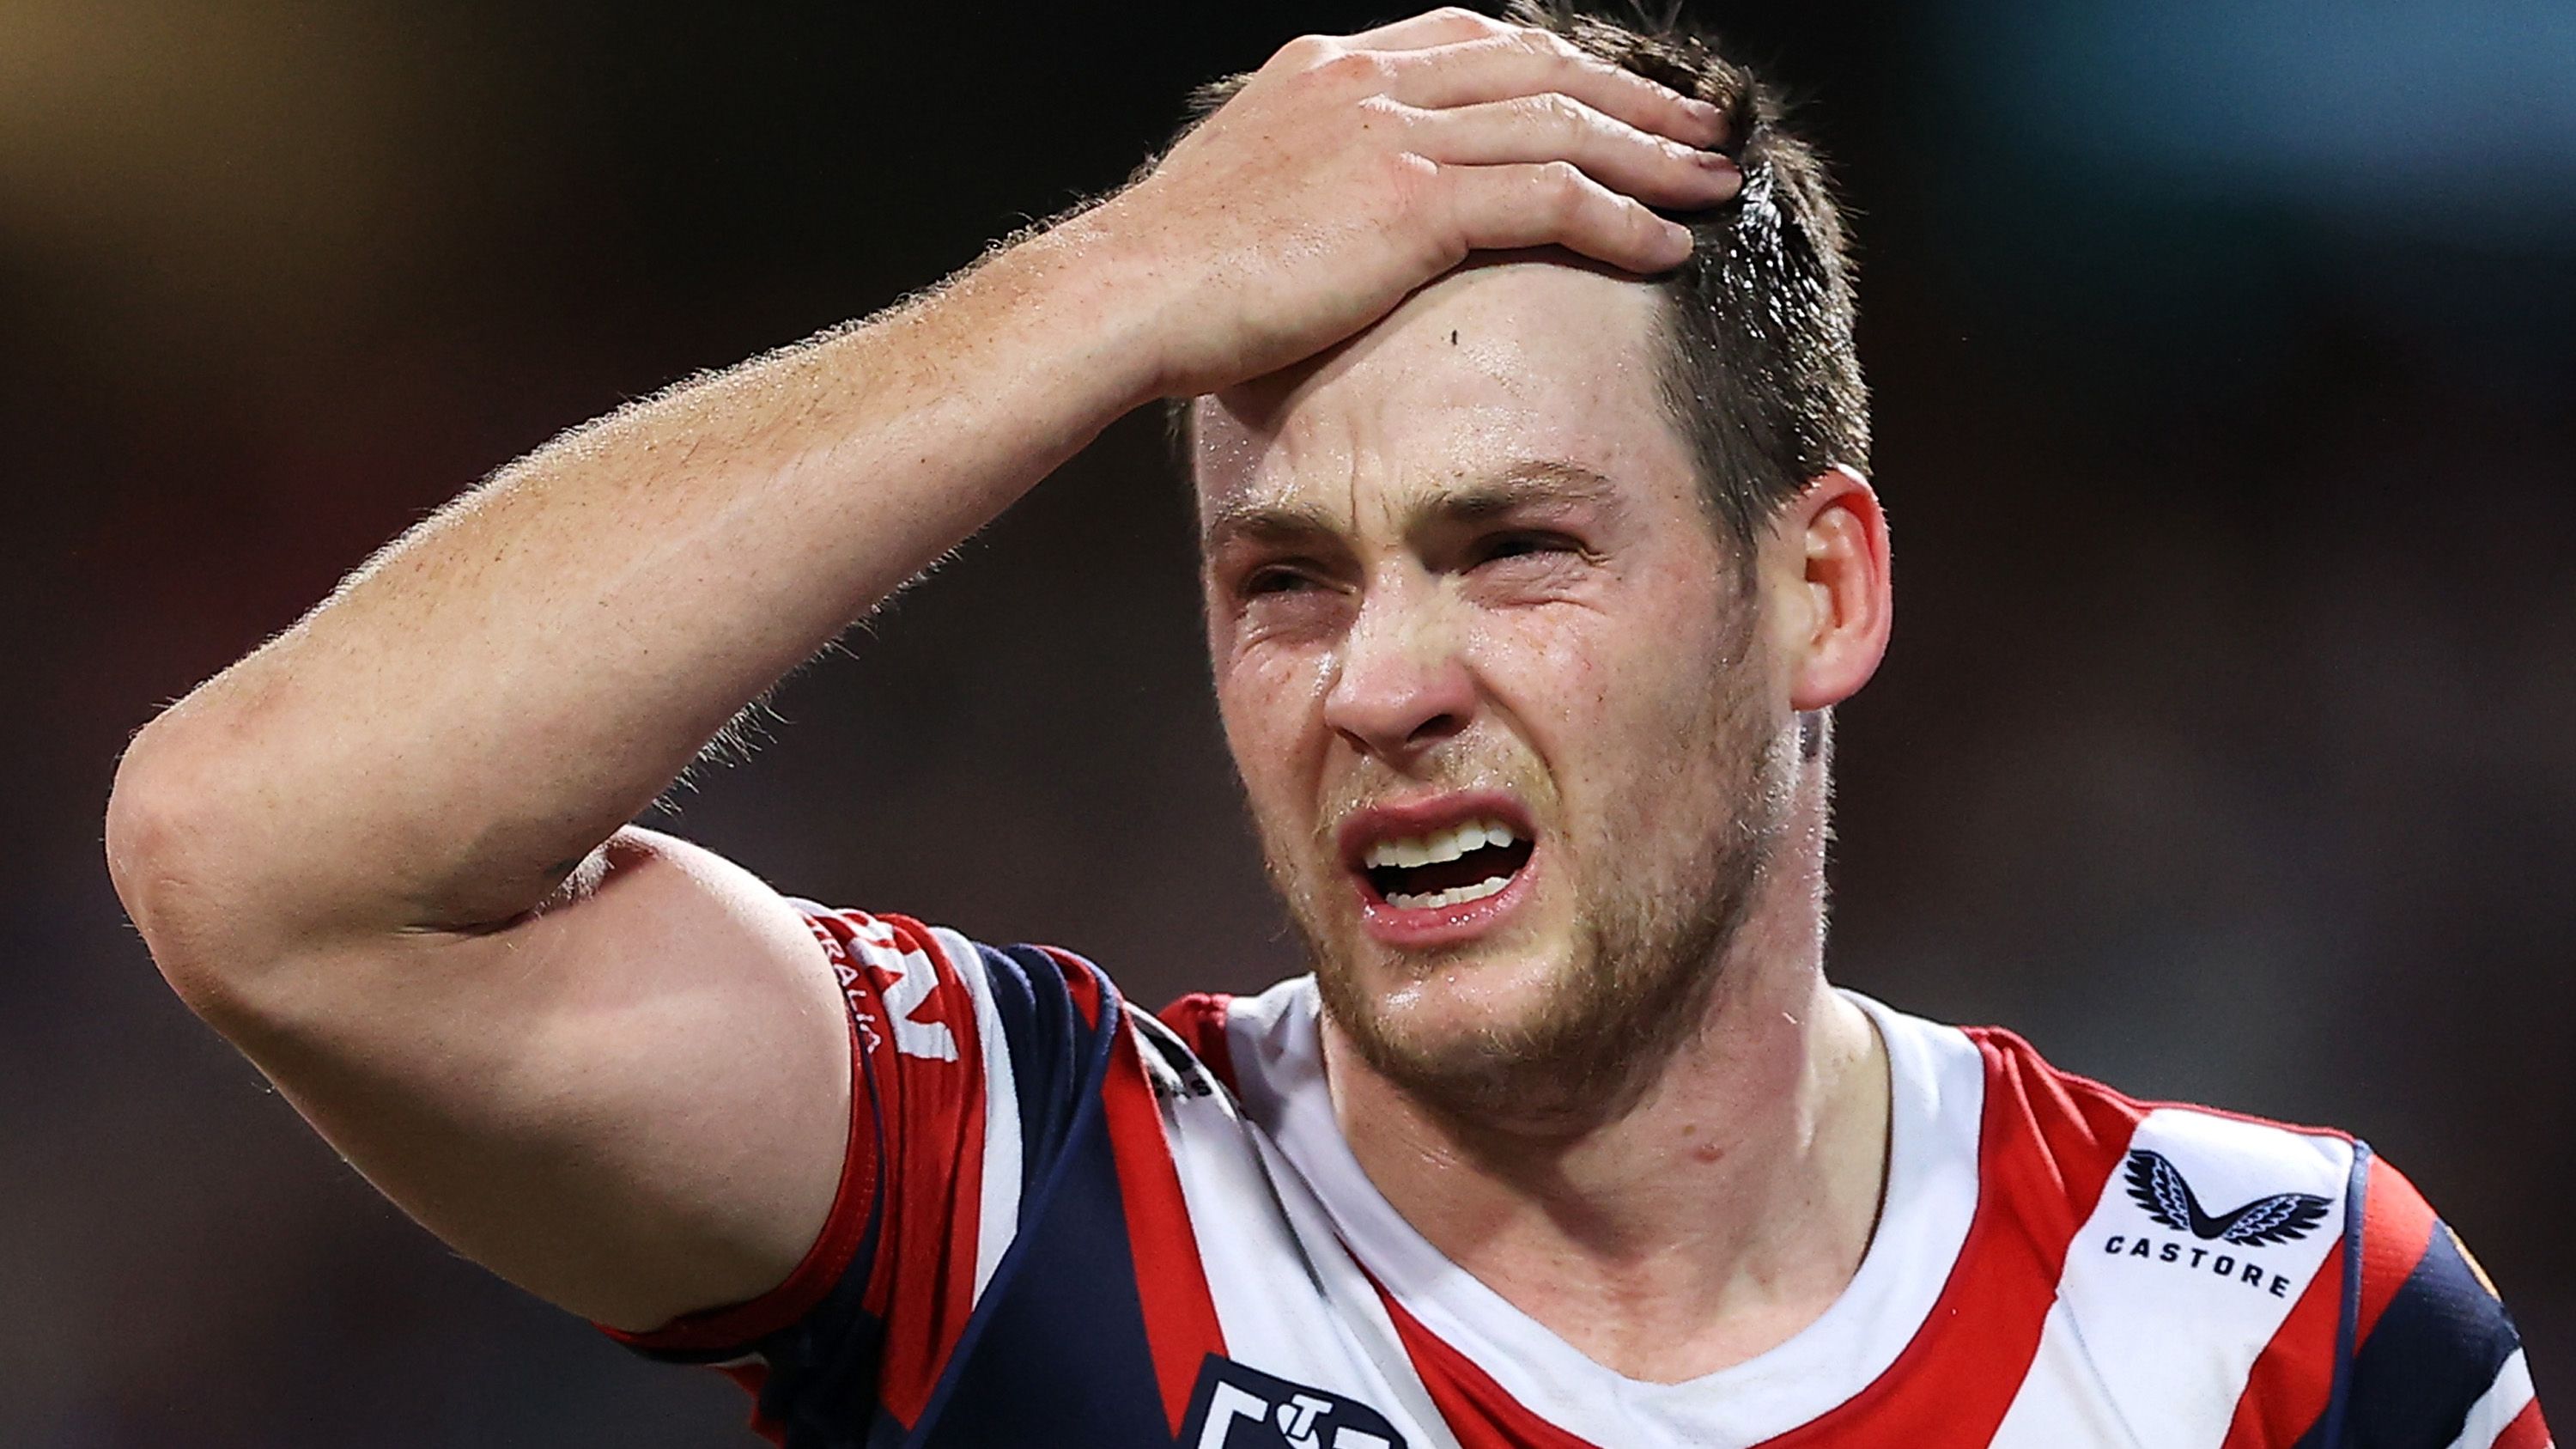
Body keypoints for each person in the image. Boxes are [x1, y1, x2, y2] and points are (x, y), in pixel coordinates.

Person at [103, 4, 2549, 1446]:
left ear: (1819, 587)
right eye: (1283, 579)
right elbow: (261, 857)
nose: (1380, 684)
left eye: (1514, 550)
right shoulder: (1037, 1205)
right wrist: (1115, 278)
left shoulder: (2282, 1329)